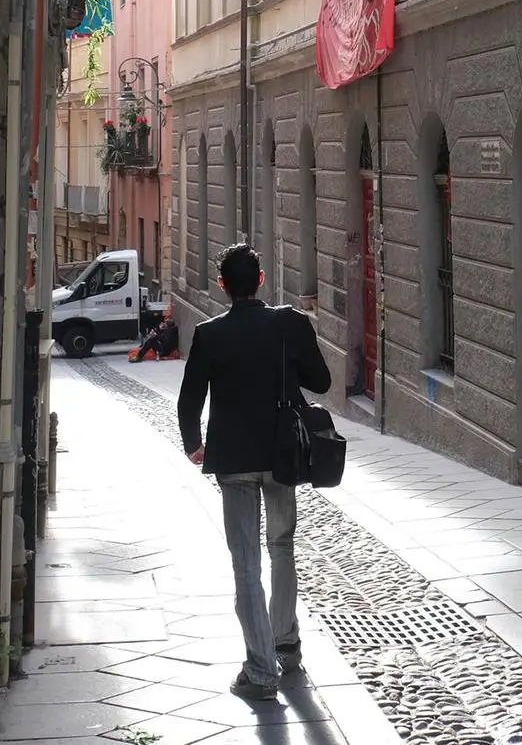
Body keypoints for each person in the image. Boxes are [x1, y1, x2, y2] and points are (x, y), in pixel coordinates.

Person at [177, 242, 331, 702]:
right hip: (282, 457)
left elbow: (189, 401)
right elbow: (321, 382)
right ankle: (287, 645)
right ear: (261, 279)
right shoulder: (289, 324)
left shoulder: (208, 334)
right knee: (281, 547)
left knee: (245, 562)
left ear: (222, 286)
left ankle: (260, 670)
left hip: (233, 461)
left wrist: (194, 446)